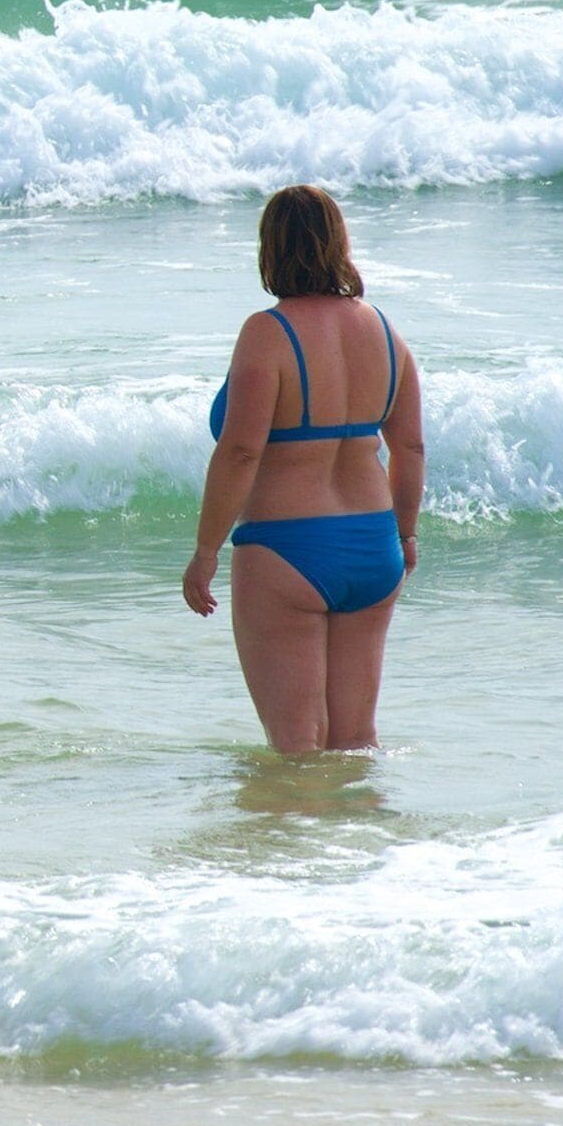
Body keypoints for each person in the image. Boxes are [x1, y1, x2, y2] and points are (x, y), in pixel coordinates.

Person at [182, 185, 427, 754]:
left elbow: (241, 451)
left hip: (286, 547)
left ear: (270, 249)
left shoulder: (267, 333)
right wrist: (407, 536)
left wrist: (205, 550)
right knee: (354, 744)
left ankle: (296, 844)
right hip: (373, 546)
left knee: (296, 746)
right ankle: (356, 842)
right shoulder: (386, 333)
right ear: (339, 243)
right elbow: (410, 448)